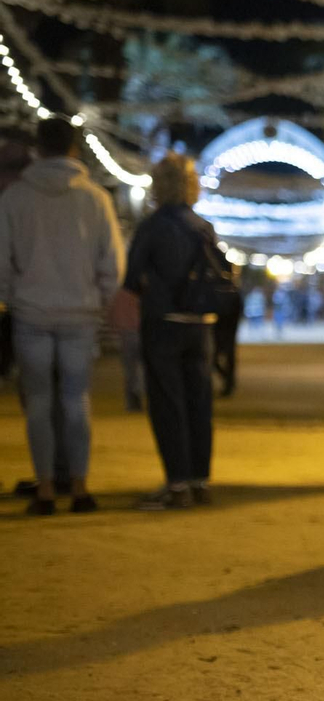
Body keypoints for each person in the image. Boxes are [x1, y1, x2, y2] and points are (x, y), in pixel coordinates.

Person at [0, 117, 123, 515]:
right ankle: (81, 487)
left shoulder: (15, 198)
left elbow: (2, 258)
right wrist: (103, 299)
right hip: (80, 313)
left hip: (31, 312)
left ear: (38, 148)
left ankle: (47, 489)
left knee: (37, 401)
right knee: (76, 398)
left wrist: (10, 298)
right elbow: (112, 260)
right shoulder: (95, 198)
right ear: (74, 148)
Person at [121, 153, 223, 511]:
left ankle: (177, 485)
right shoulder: (204, 227)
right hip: (200, 325)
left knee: (168, 403)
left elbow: (131, 278)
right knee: (200, 402)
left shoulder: (152, 226)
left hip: (163, 323)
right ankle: (200, 481)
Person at [212, 264, 243, 396]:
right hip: (229, 332)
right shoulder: (235, 294)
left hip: (220, 332)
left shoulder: (219, 294)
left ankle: (228, 381)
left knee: (214, 358)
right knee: (227, 358)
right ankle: (229, 382)